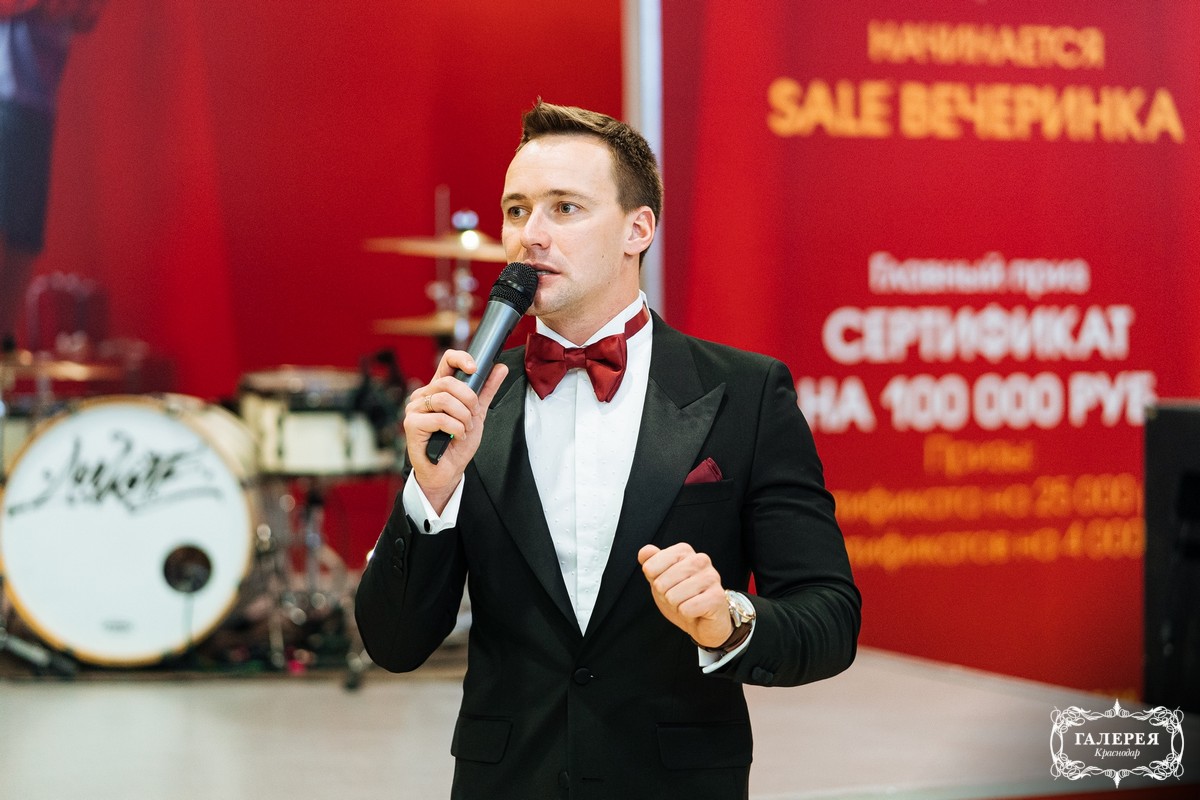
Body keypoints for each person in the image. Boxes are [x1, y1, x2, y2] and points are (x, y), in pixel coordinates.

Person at [355, 100, 861, 799]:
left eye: (565, 208)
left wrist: (727, 620)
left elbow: (829, 617)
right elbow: (393, 644)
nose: (531, 235)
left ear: (637, 229)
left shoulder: (746, 393)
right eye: (516, 210)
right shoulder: (472, 403)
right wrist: (430, 494)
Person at [0, 0, 104, 352]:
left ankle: (3, 355)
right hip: (6, 98)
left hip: (37, 108)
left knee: (24, 239)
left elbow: (85, 15)